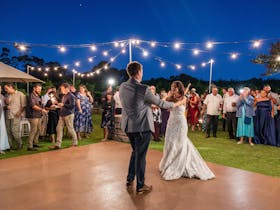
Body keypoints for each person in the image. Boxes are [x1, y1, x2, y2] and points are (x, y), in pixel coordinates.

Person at [119, 61, 181, 195]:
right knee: (140, 156)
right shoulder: (143, 89)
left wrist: (146, 105)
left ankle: (130, 179)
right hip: (142, 127)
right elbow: (161, 103)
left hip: (128, 126)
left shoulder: (122, 86)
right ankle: (140, 185)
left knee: (135, 152)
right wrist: (177, 104)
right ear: (139, 72)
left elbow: (133, 103)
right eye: (142, 70)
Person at [159, 81, 215, 181]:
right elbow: (162, 101)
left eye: (174, 87)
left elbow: (176, 105)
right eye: (171, 87)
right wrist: (166, 98)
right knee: (170, 143)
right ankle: (168, 163)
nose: (172, 89)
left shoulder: (183, 98)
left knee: (180, 144)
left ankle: (180, 165)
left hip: (180, 123)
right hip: (171, 123)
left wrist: (169, 105)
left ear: (179, 88)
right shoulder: (170, 96)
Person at [49, 83, 78, 149]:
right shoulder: (64, 96)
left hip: (69, 115)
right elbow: (63, 105)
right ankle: (58, 144)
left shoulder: (71, 96)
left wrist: (63, 105)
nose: (61, 90)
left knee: (70, 129)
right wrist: (56, 106)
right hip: (62, 115)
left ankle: (75, 142)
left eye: (62, 88)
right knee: (58, 128)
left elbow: (72, 106)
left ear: (66, 88)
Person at [4, 83, 26, 150]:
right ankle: (9, 146)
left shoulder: (20, 94)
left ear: (11, 87)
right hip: (8, 115)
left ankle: (20, 144)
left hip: (16, 115)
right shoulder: (7, 95)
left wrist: (19, 112)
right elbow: (6, 105)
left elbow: (24, 105)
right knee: (8, 131)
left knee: (14, 131)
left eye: (6, 88)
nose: (5, 90)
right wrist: (6, 104)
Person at [26, 83, 48, 151]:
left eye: (40, 89)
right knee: (33, 130)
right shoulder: (31, 96)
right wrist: (42, 110)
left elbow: (40, 105)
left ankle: (35, 143)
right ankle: (30, 146)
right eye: (38, 89)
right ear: (34, 88)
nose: (39, 90)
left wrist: (43, 105)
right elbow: (33, 106)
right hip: (32, 116)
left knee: (38, 129)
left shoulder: (38, 96)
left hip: (38, 115)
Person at [0, 85, 9, 154]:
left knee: (2, 131)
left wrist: (7, 106)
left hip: (1, 116)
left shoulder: (2, 96)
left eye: (0, 88)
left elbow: (3, 106)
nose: (0, 90)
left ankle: (1, 147)